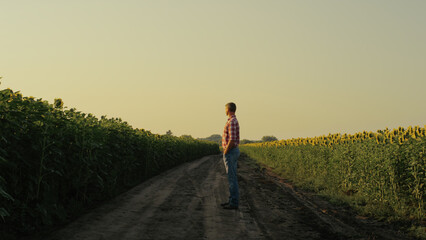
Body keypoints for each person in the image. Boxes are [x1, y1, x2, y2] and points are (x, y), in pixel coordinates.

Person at [221, 102, 240, 210]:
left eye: (225, 109)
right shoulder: (231, 121)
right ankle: (231, 200)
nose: (224, 111)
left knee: (232, 178)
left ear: (228, 109)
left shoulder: (232, 121)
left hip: (231, 152)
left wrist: (225, 151)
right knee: (232, 177)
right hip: (232, 151)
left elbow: (232, 140)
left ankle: (233, 203)